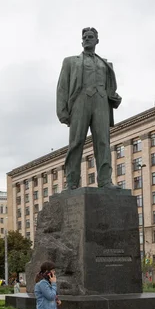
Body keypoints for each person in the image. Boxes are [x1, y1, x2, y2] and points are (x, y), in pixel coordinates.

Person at [57, 27, 122, 190]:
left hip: (101, 102)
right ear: (81, 40)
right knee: (76, 142)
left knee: (103, 142)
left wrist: (114, 96)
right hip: (80, 101)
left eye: (90, 36)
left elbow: (110, 88)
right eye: (84, 37)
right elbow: (62, 87)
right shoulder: (70, 61)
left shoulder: (106, 64)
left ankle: (105, 180)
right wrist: (62, 111)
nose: (87, 39)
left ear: (96, 41)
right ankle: (71, 181)